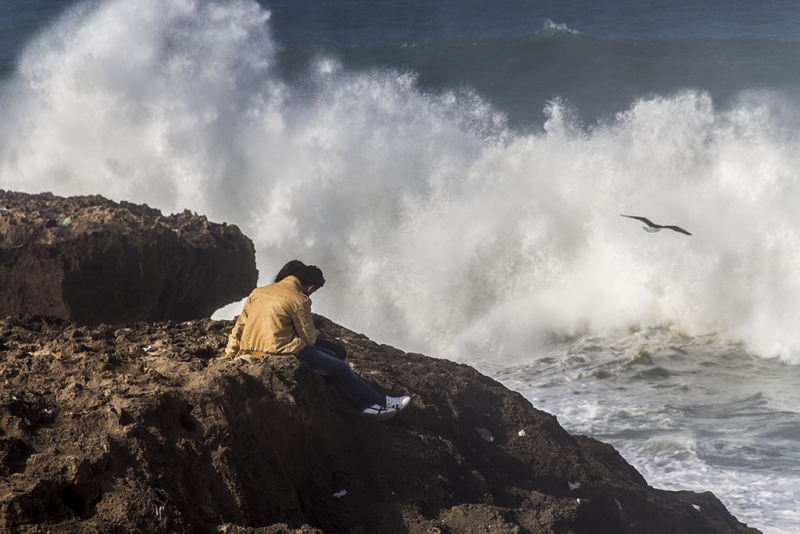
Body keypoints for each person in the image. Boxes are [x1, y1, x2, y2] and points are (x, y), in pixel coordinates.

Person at [223, 261, 410, 421]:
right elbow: (309, 338)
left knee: (333, 356)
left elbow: (239, 326)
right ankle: (371, 403)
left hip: (249, 350)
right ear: (311, 287)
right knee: (340, 367)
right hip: (279, 352)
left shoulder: (258, 292)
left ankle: (378, 399)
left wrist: (229, 354)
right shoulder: (298, 299)